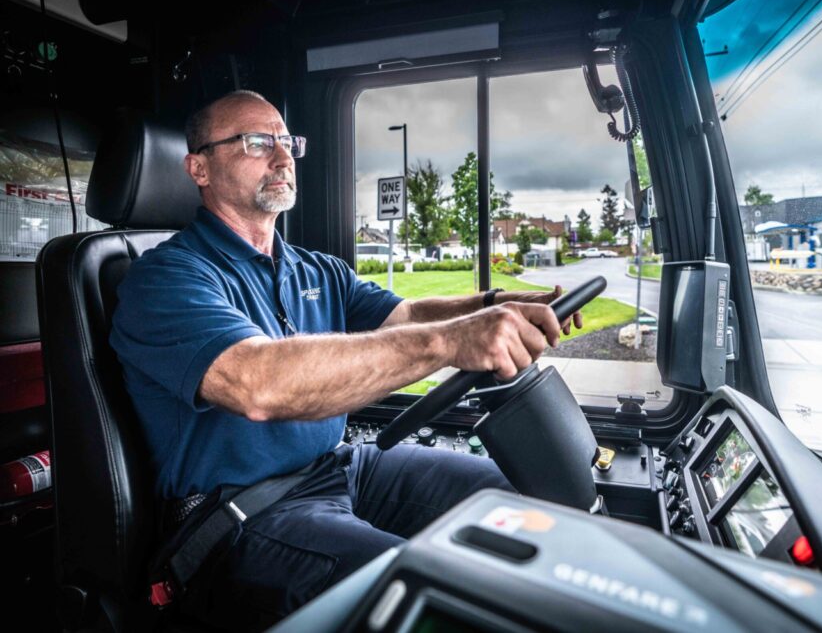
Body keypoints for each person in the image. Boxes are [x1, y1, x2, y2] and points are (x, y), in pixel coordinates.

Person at [110, 90, 582, 629]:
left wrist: (496, 306)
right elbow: (258, 385)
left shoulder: (316, 269)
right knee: (425, 595)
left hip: (340, 468)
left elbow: (409, 315)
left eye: (287, 142)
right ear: (199, 167)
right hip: (244, 514)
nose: (283, 157)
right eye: (257, 142)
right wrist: (452, 342)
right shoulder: (166, 278)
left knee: (513, 502)